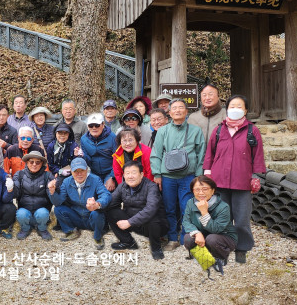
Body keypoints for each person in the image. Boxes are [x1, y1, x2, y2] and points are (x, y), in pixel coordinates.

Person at [202, 94, 265, 263]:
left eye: (239, 106)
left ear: (245, 110)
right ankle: (222, 249)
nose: (235, 109)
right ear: (227, 109)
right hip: (219, 181)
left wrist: (256, 176)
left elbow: (258, 155)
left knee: (242, 219)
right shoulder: (218, 130)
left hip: (242, 182)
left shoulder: (252, 131)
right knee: (222, 218)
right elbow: (210, 153)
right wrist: (207, 173)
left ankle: (242, 249)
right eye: (232, 106)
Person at [150, 98, 206, 251]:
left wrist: (198, 176)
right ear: (169, 112)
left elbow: (201, 154)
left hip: (188, 176)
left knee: (187, 207)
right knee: (169, 209)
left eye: (181, 107)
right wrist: (157, 174)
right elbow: (156, 154)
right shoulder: (163, 131)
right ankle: (172, 238)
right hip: (168, 177)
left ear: (186, 111)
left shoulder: (195, 131)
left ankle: (186, 239)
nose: (178, 110)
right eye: (174, 108)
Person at [107, 161, 169, 260]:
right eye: (127, 173)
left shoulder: (151, 187)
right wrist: (97, 205)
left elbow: (151, 208)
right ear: (124, 175)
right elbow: (111, 202)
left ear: (141, 174)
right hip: (134, 223)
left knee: (152, 217)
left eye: (134, 172)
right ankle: (127, 242)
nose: (130, 176)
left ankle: (156, 248)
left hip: (155, 227)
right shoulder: (122, 186)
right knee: (110, 211)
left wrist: (129, 222)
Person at [47, 157, 110, 250]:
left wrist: (97, 204)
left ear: (87, 170)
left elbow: (106, 195)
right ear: (71, 172)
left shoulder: (95, 180)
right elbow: (58, 202)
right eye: (76, 171)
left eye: (82, 170)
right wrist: (52, 192)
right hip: (77, 217)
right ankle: (71, 231)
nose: (79, 174)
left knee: (97, 213)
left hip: (91, 217)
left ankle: (98, 236)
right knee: (58, 209)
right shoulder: (67, 182)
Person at [182, 175, 237, 273]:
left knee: (212, 239)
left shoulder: (223, 207)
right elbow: (186, 221)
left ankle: (220, 257)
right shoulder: (190, 203)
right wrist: (197, 233)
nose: (201, 193)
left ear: (213, 190)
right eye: (197, 190)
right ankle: (204, 256)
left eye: (205, 189)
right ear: (193, 191)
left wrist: (204, 212)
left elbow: (216, 229)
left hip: (223, 237)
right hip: (203, 236)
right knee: (188, 238)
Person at [12, 151, 55, 240]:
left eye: (37, 162)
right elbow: (15, 194)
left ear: (42, 164)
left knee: (43, 213)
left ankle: (42, 228)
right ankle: (25, 228)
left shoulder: (48, 176)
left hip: (41, 212)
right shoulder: (19, 175)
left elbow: (53, 199)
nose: (34, 164)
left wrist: (52, 190)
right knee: (20, 213)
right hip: (25, 210)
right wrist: (11, 188)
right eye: (31, 162)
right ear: (27, 163)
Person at [81, 113, 117, 192]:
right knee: (92, 192)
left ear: (103, 124)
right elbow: (88, 161)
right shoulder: (84, 139)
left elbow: (117, 159)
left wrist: (112, 177)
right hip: (94, 172)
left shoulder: (112, 137)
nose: (94, 128)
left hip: (109, 171)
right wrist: (82, 155)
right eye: (91, 126)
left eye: (97, 125)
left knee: (107, 191)